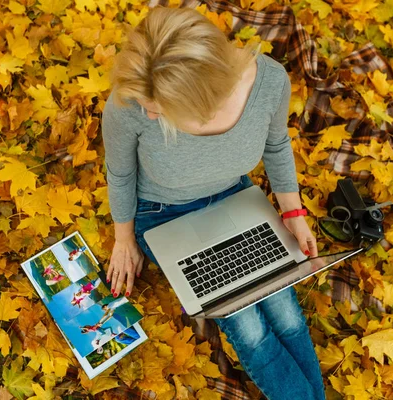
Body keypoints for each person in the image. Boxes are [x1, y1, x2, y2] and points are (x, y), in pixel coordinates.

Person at [101, 6, 323, 400]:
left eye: (161, 108)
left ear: (205, 98)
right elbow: (120, 175)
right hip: (163, 214)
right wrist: (124, 240)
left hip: (236, 198)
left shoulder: (269, 82)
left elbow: (276, 144)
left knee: (286, 312)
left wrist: (293, 212)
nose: (149, 113)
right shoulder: (131, 103)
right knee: (250, 328)